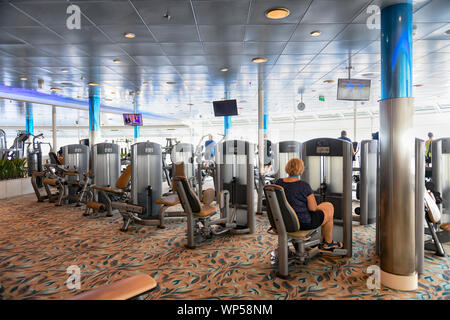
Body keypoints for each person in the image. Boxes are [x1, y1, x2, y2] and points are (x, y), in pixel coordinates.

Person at [275, 158, 343, 251]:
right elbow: (313, 208)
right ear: (301, 169)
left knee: (325, 206)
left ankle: (321, 242)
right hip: (302, 223)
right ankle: (328, 243)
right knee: (329, 207)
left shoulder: (278, 183)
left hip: (282, 221)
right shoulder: (303, 185)